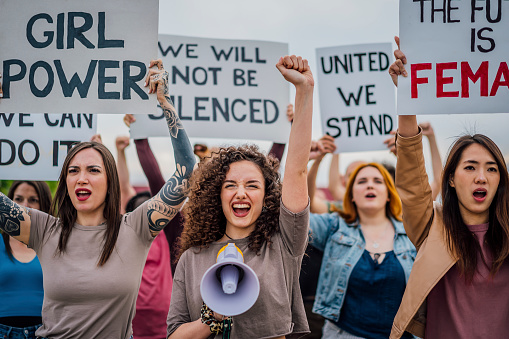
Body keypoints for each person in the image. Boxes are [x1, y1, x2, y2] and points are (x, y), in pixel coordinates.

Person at [0, 59, 196, 339]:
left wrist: (165, 102)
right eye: (73, 171)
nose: (82, 178)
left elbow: (186, 172)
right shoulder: (43, 229)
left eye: (93, 170)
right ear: (65, 182)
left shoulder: (137, 227)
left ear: (110, 182)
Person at [166, 54, 314, 339]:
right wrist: (212, 318)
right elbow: (174, 334)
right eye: (230, 185)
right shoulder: (192, 258)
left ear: (268, 196)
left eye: (253, 185)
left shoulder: (283, 245)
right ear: (215, 195)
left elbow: (296, 170)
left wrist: (304, 91)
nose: (241, 193)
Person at [388, 36, 509, 339]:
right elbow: (412, 185)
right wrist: (407, 97)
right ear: (451, 179)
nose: (481, 177)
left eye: (491, 169)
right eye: (470, 167)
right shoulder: (432, 228)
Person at [309, 162, 416, 339]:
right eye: (362, 181)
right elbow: (296, 216)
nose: (370, 185)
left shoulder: (413, 233)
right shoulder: (334, 227)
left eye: (378, 181)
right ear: (350, 195)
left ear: (389, 193)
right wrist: (310, 161)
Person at [0, 181, 51, 339]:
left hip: (46, 332)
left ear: (44, 204)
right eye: (18, 199)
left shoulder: (55, 245)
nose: (24, 205)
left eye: (33, 200)